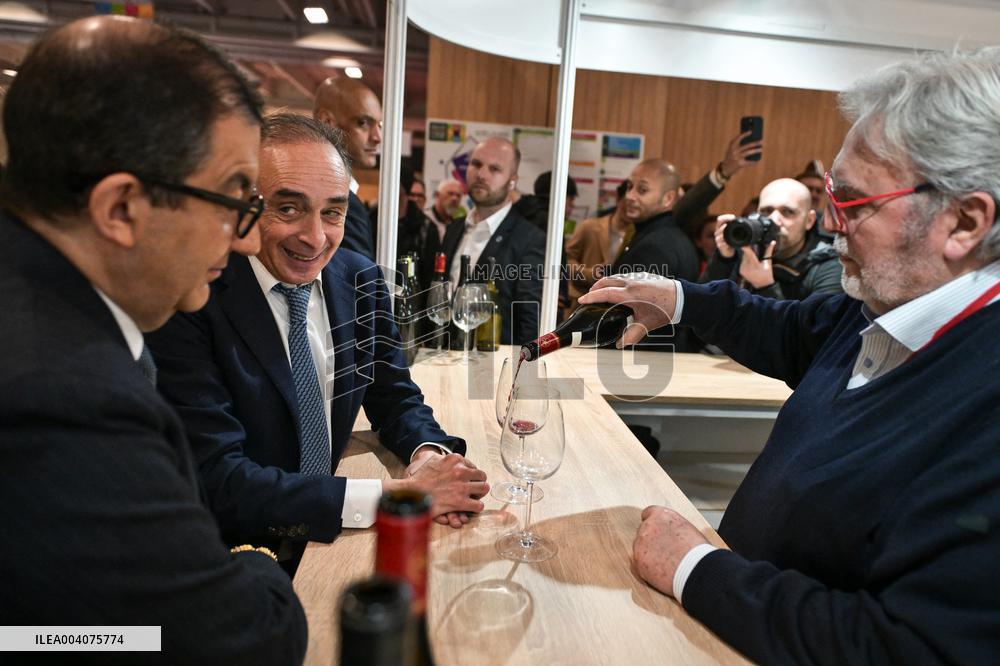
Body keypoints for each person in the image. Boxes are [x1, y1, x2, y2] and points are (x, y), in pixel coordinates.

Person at [582, 47, 1000, 664]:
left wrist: (695, 568)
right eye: (831, 193)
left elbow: (904, 645)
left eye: (854, 202)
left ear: (963, 222)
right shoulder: (883, 311)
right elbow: (788, 328)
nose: (832, 225)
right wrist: (674, 298)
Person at [0, 16, 306, 662]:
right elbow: (237, 640)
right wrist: (251, 563)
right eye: (232, 200)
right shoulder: (66, 398)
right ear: (119, 209)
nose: (248, 239)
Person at [147, 113, 488, 575]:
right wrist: (399, 496)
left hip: (329, 548)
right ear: (244, 202)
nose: (315, 237)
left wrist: (429, 458)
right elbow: (217, 479)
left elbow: (395, 396)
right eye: (288, 209)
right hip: (228, 559)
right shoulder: (194, 296)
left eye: (333, 212)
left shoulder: (360, 277)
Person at [441, 137, 545, 344]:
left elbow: (528, 319)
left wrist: (522, 372)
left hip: (494, 364)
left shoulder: (530, 239)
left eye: (495, 169)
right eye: (476, 164)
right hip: (444, 358)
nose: (481, 174)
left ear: (512, 180)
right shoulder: (454, 228)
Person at [704, 178, 842, 300]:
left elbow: (816, 329)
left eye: (787, 212)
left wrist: (765, 287)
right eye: (766, 211)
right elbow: (699, 311)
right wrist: (724, 259)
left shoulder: (828, 266)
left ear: (809, 221)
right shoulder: (747, 250)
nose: (774, 220)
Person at [313, 76, 382, 260]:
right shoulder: (337, 199)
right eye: (363, 123)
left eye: (379, 125)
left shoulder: (347, 197)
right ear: (326, 121)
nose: (377, 137)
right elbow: (358, 282)